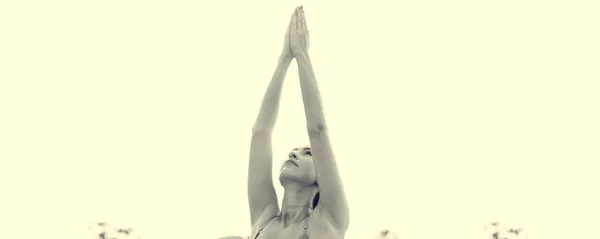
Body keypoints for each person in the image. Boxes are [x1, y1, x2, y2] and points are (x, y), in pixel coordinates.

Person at [247, 6, 349, 239]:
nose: (293, 154)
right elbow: (260, 133)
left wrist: (302, 55)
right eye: (293, 151)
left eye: (306, 153)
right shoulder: (263, 218)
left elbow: (318, 130)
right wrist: (284, 57)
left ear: (320, 178)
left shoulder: (329, 220)